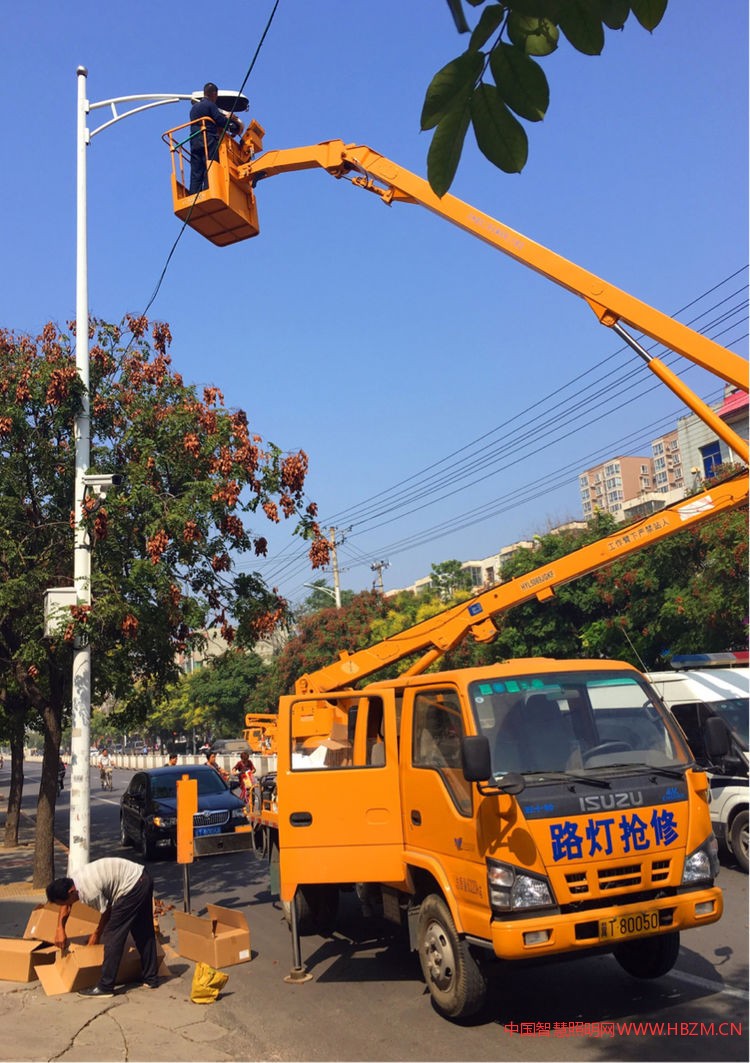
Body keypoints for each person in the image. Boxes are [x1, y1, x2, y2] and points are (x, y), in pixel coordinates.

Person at [46, 857, 159, 997]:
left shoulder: (89, 892)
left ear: (71, 892)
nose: (65, 905)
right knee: (142, 929)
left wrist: (96, 935)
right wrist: (60, 928)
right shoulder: (73, 879)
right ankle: (151, 978)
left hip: (132, 887)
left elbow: (107, 912)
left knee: (112, 935)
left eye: (63, 901)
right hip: (142, 877)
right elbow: (66, 905)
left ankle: (105, 986)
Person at [188, 82, 244, 194]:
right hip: (208, 139)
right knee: (211, 164)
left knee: (196, 170)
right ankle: (209, 191)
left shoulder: (194, 109)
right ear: (214, 94)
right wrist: (230, 122)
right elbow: (219, 120)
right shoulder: (210, 105)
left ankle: (194, 195)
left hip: (194, 141)